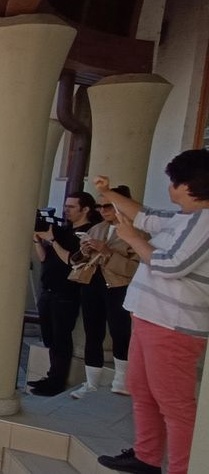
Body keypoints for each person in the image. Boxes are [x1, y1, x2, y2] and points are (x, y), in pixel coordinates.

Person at [95, 151, 209, 474]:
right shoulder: (186, 216)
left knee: (174, 404)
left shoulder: (206, 221)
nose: (170, 188)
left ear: (188, 186)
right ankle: (146, 457)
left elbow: (172, 266)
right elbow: (144, 215)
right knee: (142, 389)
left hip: (173, 326)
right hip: (149, 318)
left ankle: (182, 468)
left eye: (174, 182)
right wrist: (108, 192)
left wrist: (130, 237)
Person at [67, 188, 138, 400]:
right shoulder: (97, 228)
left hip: (118, 286)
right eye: (99, 206)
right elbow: (78, 260)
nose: (102, 210)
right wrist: (85, 251)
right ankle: (91, 382)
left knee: (120, 332)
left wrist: (107, 252)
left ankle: (122, 380)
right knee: (92, 332)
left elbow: (135, 268)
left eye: (107, 206)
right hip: (92, 284)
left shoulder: (137, 231)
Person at [29, 193, 98, 396]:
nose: (66, 210)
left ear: (85, 209)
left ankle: (56, 382)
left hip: (66, 293)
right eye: (65, 206)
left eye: (71, 207)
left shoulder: (87, 234)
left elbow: (72, 261)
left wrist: (53, 240)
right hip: (48, 290)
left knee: (61, 339)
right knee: (50, 338)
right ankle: (51, 376)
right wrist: (37, 239)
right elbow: (44, 258)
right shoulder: (64, 229)